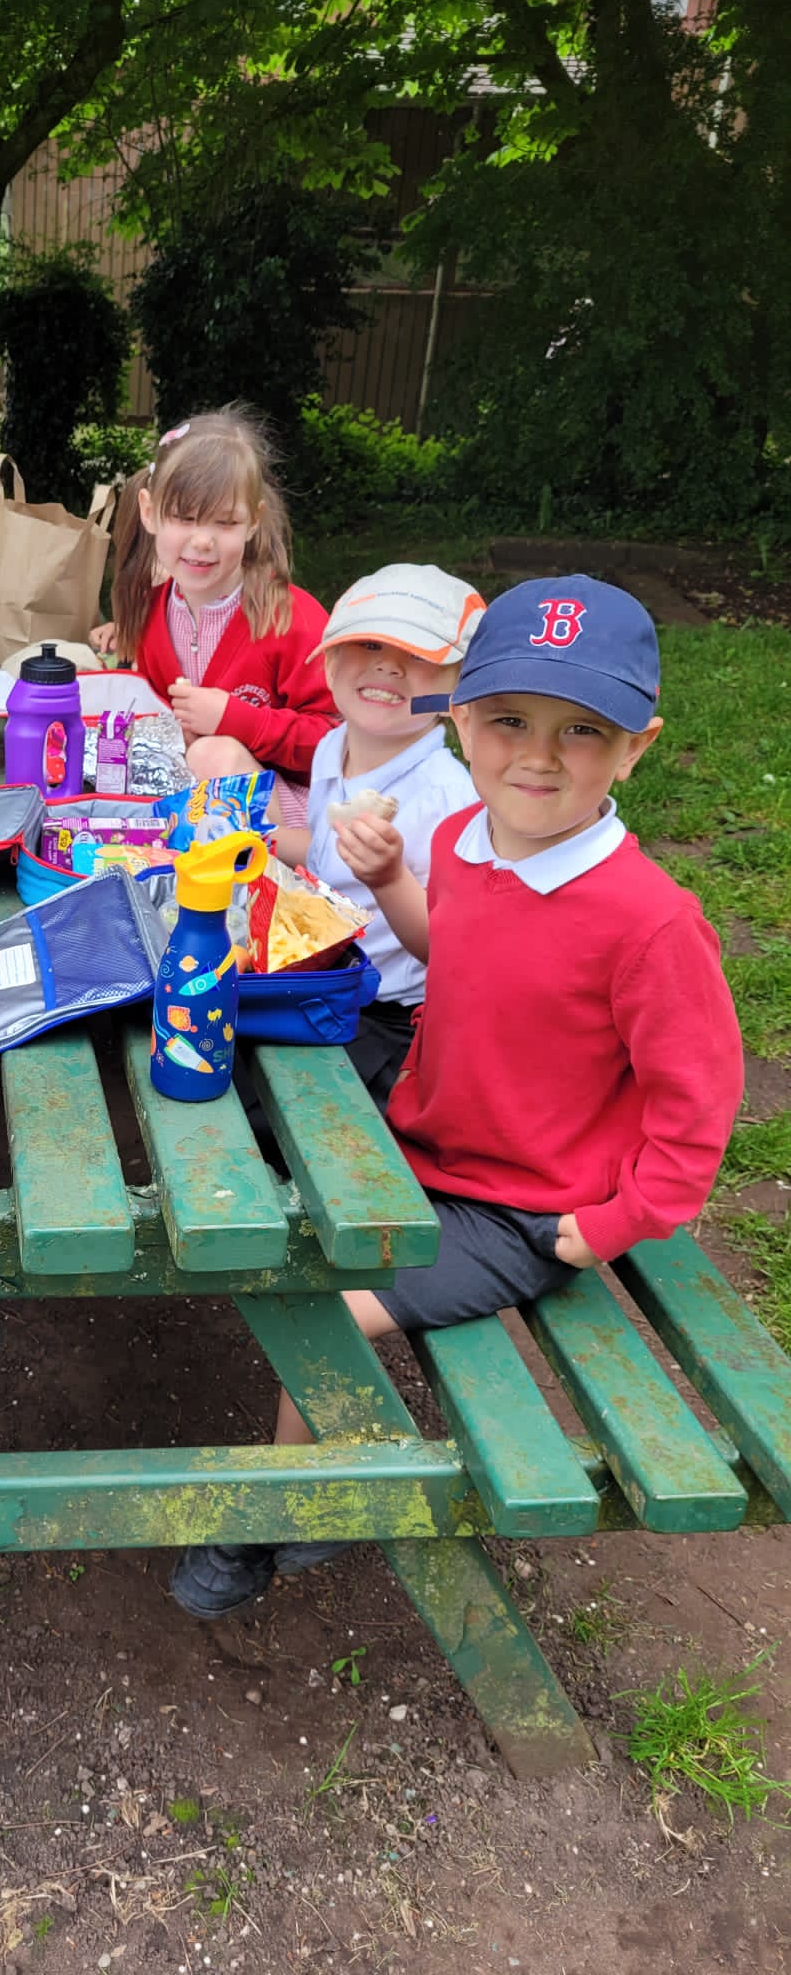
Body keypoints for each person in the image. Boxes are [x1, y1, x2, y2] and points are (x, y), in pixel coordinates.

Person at [170, 575, 744, 1617]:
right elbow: (453, 954)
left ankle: (289, 1506)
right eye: (511, 719)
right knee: (253, 1175)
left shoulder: (651, 923)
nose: (539, 755)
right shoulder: (463, 840)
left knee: (323, 1309)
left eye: (582, 730)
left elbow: (697, 1111)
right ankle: (334, 1470)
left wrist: (610, 1224)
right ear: (465, 721)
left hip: (521, 1205)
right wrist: (395, 880)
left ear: (635, 748)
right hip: (425, 1137)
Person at [272, 564, 484, 1112]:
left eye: (419, 655)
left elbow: (452, 949)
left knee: (272, 1109)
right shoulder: (332, 747)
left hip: (387, 1018)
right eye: (369, 644)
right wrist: (257, 840)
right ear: (329, 662)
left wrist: (388, 876)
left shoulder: (449, 800)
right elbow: (324, 852)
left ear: (459, 690)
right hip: (319, 975)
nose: (389, 665)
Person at [91, 410, 336, 829]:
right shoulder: (150, 613)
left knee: (213, 755)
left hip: (297, 816)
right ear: (149, 512)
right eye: (184, 518)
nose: (203, 540)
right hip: (193, 807)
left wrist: (237, 720)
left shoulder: (291, 619)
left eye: (225, 523)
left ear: (253, 521)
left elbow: (341, 745)